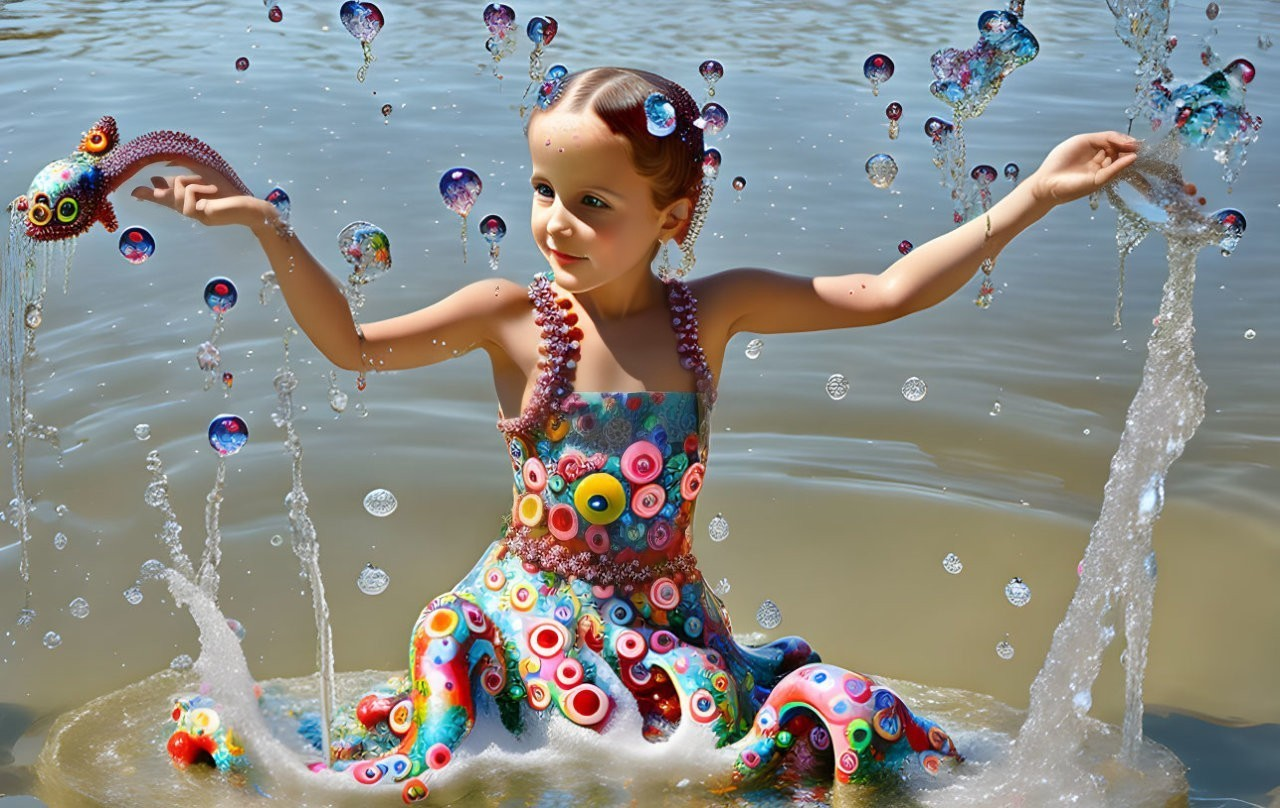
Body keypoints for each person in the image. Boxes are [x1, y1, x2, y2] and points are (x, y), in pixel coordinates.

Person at [135, 67, 1138, 800]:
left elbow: (881, 293)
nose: (555, 222)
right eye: (541, 192)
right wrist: (268, 227)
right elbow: (352, 347)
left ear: (673, 211)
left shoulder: (713, 311)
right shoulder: (510, 317)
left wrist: (1030, 198)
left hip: (667, 622)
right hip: (520, 615)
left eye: (591, 202)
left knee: (805, 737)